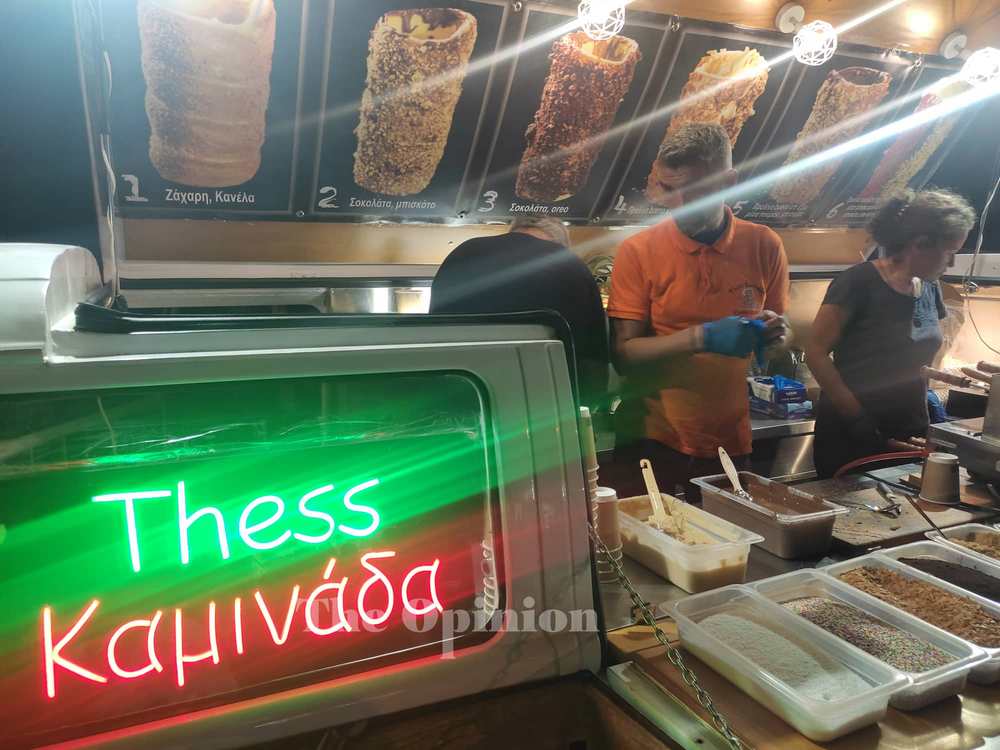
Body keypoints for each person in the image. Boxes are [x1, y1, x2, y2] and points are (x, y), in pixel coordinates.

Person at [607, 123, 790, 499]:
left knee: (725, 533)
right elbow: (624, 353)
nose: (678, 204)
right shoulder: (638, 251)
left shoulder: (764, 245)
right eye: (668, 189)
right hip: (652, 436)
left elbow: (779, 337)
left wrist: (775, 336)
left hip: (729, 440)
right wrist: (701, 337)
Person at [806, 188, 976, 478]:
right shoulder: (857, 283)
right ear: (919, 244)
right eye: (949, 252)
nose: (951, 263)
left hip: (909, 432)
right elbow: (815, 352)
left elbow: (918, 360)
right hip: (854, 434)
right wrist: (858, 420)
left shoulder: (930, 287)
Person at [430, 215, 608, 410]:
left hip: (460, 399)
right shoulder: (571, 265)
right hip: (545, 406)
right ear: (560, 244)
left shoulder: (463, 253)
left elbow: (433, 333)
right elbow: (593, 357)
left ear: (514, 231)